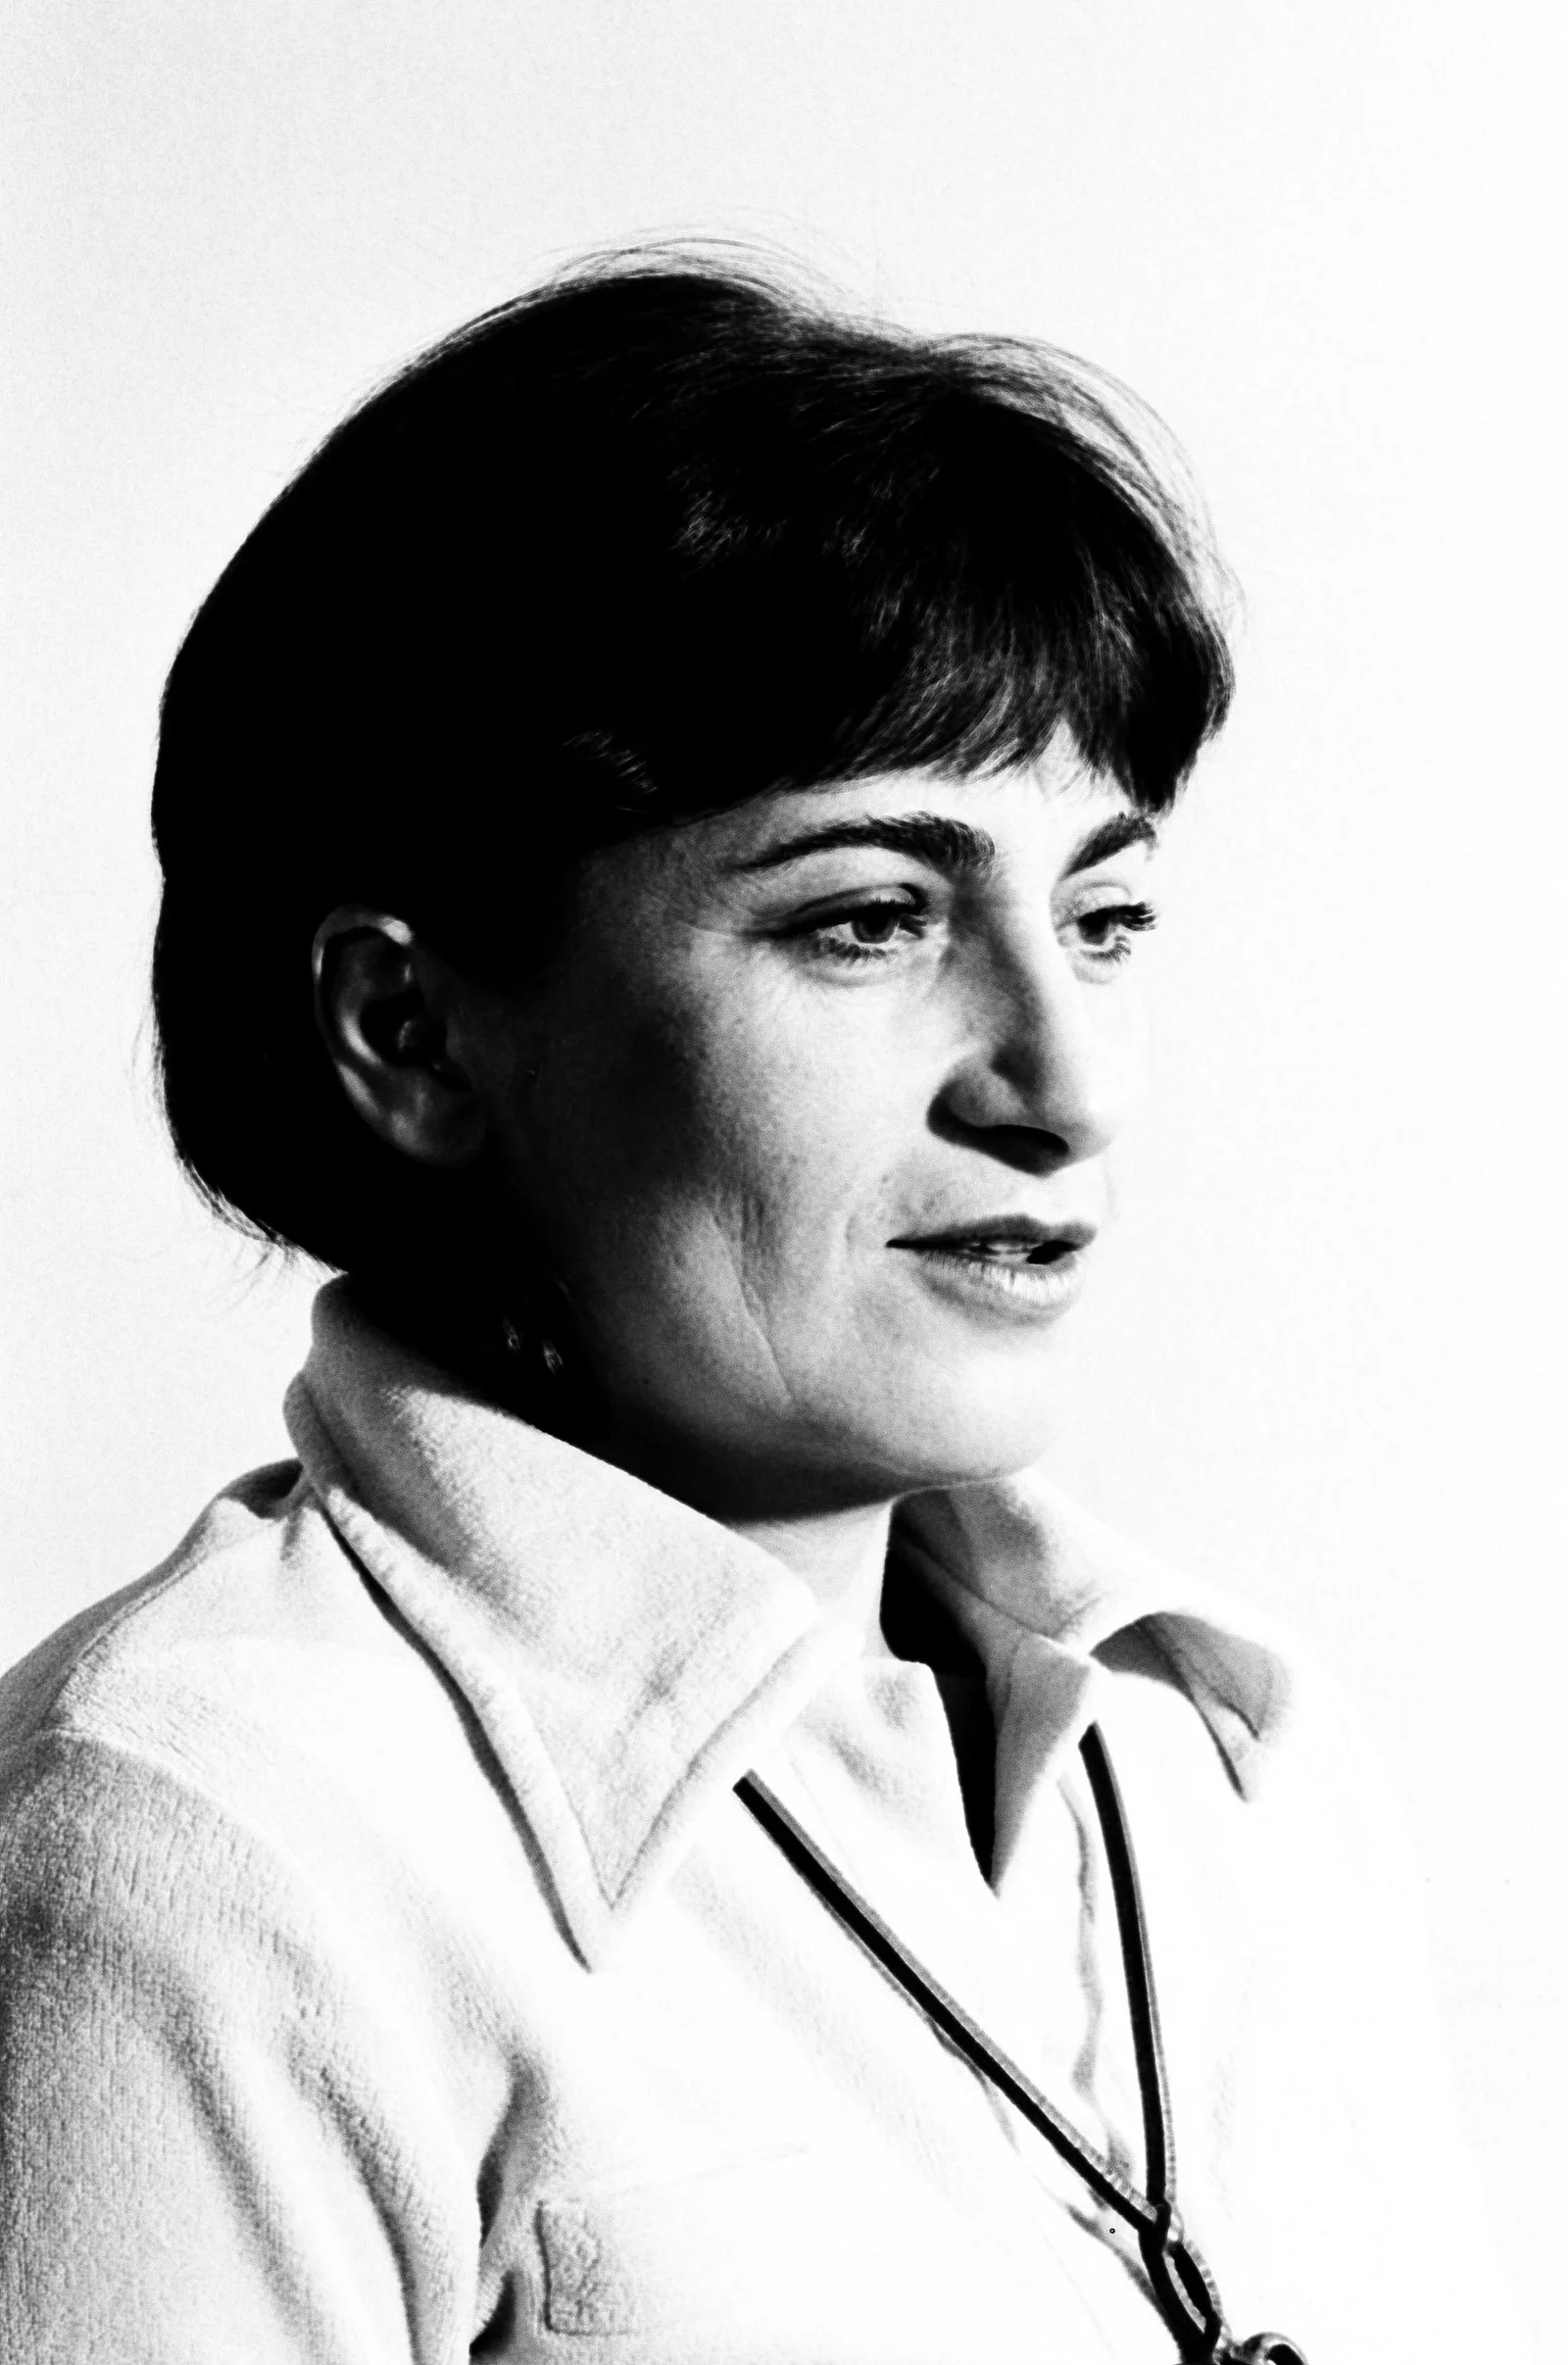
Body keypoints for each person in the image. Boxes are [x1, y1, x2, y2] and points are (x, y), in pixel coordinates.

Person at [0, 253, 1514, 2363]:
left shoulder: (1229, 1762)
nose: (1063, 1083)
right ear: (409, 1032)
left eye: (1102, 916)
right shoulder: (200, 1849)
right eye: (869, 918)